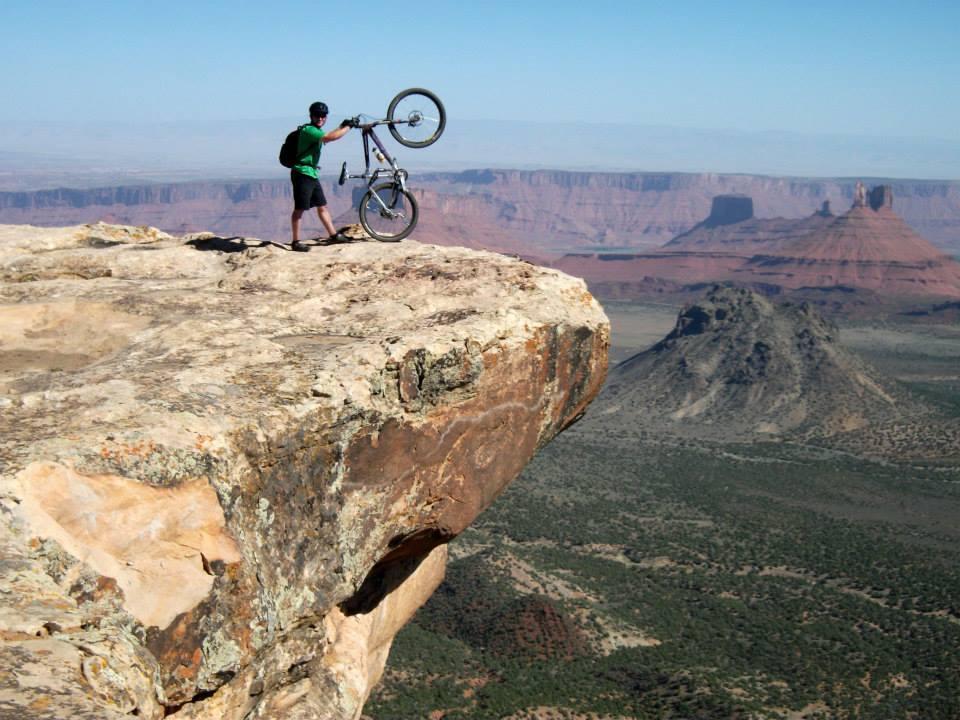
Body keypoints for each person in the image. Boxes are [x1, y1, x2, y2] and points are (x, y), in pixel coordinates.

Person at [290, 101, 355, 251]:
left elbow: (329, 135)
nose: (320, 118)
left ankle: (333, 235)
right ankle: (295, 241)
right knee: (299, 209)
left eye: (323, 116)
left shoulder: (316, 131)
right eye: (317, 115)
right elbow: (330, 137)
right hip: (302, 173)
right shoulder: (309, 130)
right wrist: (348, 127)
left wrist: (342, 125)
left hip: (311, 173)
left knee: (322, 206)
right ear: (311, 116)